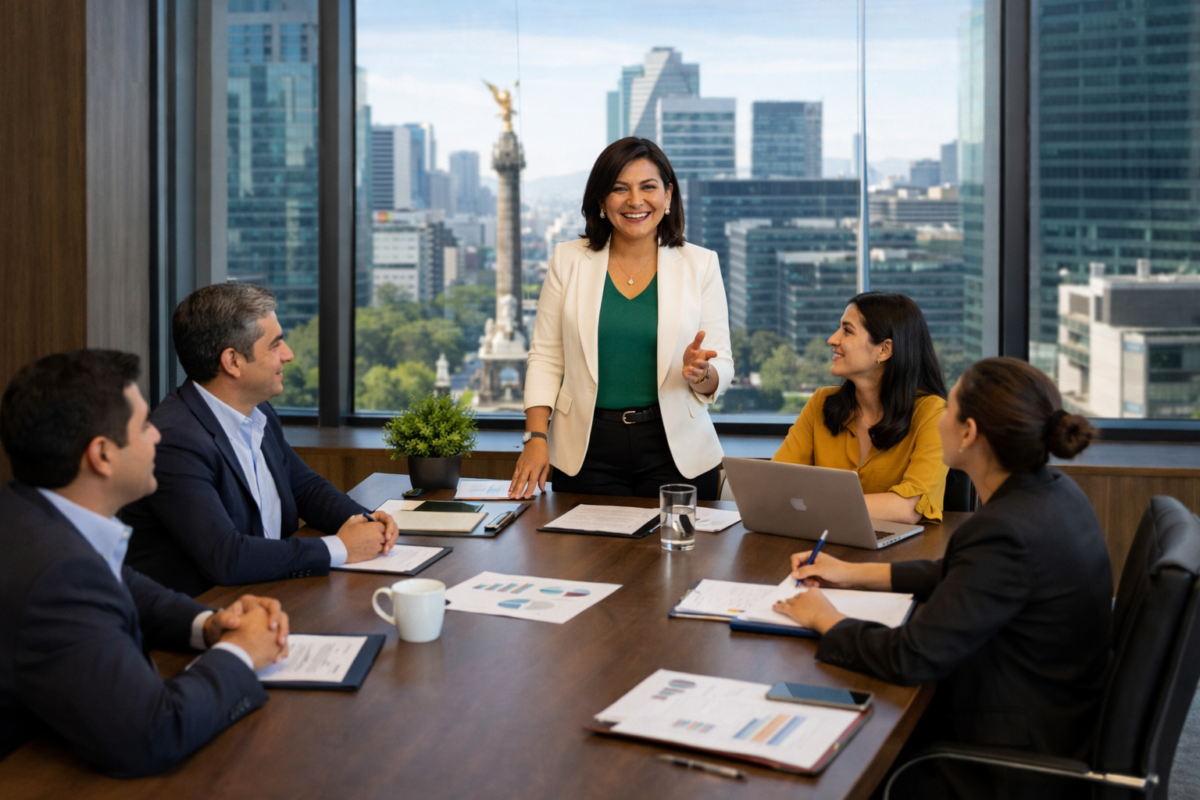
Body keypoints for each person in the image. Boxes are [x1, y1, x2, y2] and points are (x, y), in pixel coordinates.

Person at [774, 356, 1111, 799]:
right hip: (1050, 717)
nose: (938, 422)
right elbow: (961, 575)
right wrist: (853, 573)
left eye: (949, 410)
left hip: (999, 759)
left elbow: (910, 657)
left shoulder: (1004, 531)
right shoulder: (1052, 493)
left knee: (816, 755)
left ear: (969, 433)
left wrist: (824, 618)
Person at [0, 350, 290, 776]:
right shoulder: (57, 575)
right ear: (102, 455)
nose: (157, 435)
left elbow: (124, 585)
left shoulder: (26, 511)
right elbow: (152, 733)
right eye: (143, 426)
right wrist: (240, 651)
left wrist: (211, 624)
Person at [122, 284, 399, 596]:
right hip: (209, 610)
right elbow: (227, 557)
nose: (288, 355)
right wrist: (341, 547)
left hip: (269, 592)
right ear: (233, 361)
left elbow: (304, 488)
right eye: (275, 344)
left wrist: (363, 520)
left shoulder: (258, 411)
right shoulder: (174, 441)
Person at [510, 137, 733, 500]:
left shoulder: (701, 264)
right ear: (601, 200)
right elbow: (546, 357)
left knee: (678, 541)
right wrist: (535, 437)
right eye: (619, 189)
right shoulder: (567, 260)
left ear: (668, 195)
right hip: (586, 450)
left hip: (677, 450)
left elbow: (721, 363)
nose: (635, 201)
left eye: (648, 187)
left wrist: (702, 374)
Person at [772, 292, 948, 524]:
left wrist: (813, 504)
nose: (832, 339)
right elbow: (776, 484)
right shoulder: (821, 402)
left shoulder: (933, 413)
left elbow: (908, 508)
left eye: (847, 331)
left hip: (903, 546)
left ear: (884, 350)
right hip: (824, 538)